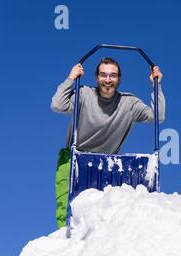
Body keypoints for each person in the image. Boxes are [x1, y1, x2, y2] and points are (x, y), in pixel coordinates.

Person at [51, 57, 165, 228]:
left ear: (119, 79)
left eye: (112, 76)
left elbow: (158, 117)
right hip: (74, 158)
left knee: (103, 216)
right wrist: (71, 78)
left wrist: (156, 85)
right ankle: (65, 244)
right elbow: (58, 105)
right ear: (96, 77)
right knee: (67, 212)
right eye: (103, 75)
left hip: (105, 165)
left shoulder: (129, 103)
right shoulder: (84, 94)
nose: (108, 80)